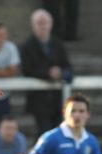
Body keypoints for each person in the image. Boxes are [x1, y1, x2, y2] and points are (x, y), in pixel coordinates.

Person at [20, 9, 73, 138]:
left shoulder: (58, 44)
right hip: (39, 100)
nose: (42, 26)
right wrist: (48, 74)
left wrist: (61, 73)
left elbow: (69, 68)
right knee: (45, 134)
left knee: (59, 133)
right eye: (39, 23)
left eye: (45, 22)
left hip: (58, 99)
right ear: (33, 25)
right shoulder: (26, 46)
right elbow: (27, 70)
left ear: (51, 24)